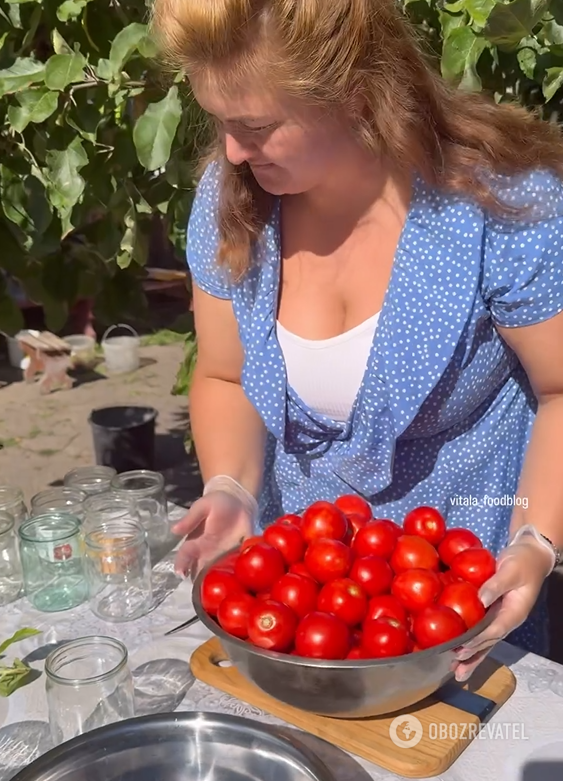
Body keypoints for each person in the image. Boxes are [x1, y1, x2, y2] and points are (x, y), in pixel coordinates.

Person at [150, 0, 563, 681]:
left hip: (452, 597)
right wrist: (232, 486)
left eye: (254, 125)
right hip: (302, 600)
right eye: (219, 121)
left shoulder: (500, 205)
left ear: (354, 93)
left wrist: (536, 537)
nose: (229, 150)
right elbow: (224, 376)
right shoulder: (233, 201)